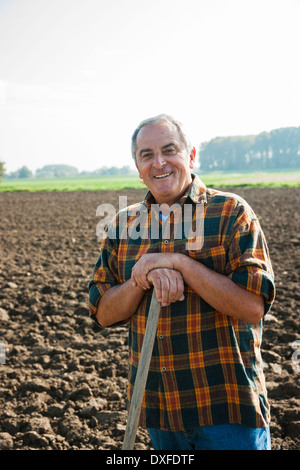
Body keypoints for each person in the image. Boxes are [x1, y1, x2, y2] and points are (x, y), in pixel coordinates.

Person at [89, 114, 275, 450]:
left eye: (169, 150)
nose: (158, 163)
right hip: (160, 414)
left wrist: (181, 265)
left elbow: (252, 307)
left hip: (227, 414)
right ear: (137, 165)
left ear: (190, 155)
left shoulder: (232, 213)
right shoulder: (123, 224)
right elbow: (103, 313)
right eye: (146, 154)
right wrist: (140, 279)